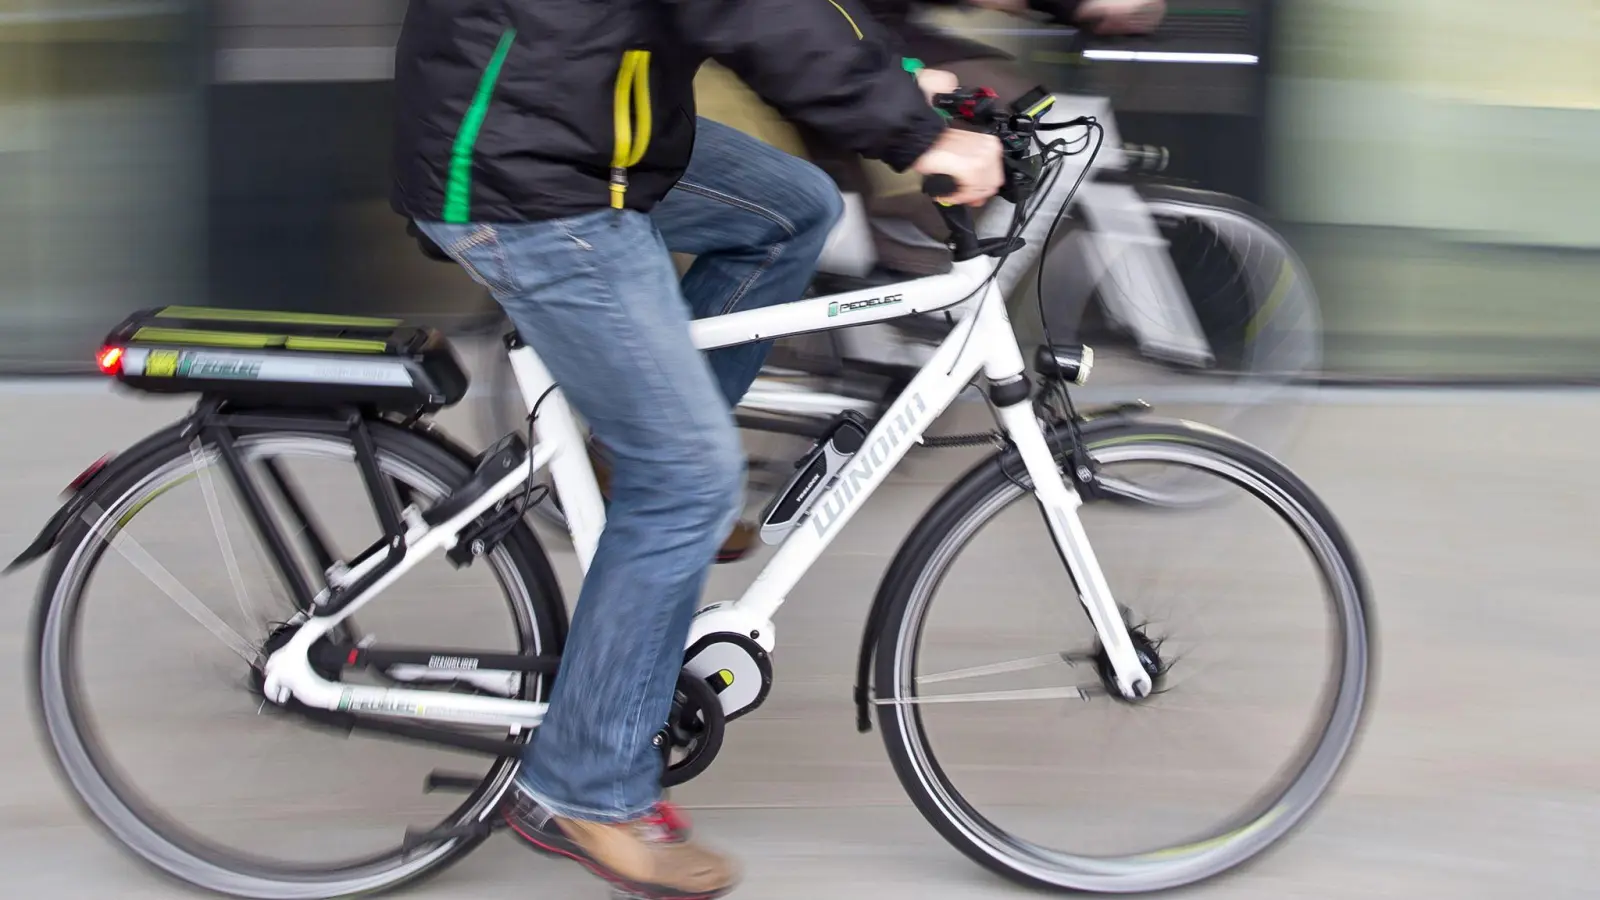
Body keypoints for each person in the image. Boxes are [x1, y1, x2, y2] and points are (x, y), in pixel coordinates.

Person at [389, 2, 1003, 899]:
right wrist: (913, 133)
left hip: (583, 133)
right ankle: (584, 787)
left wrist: (896, 75)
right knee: (690, 483)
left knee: (794, 208)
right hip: (523, 175)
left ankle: (641, 459)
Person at [801, 0, 1169, 276]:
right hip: (840, 32)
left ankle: (918, 252)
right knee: (1026, 109)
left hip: (856, 28)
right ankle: (957, 288)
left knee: (1020, 111)